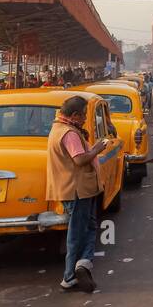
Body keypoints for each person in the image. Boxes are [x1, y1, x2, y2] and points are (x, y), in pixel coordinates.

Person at [47, 96, 110, 293]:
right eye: (83, 115)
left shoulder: (59, 129)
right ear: (74, 115)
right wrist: (97, 149)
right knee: (78, 232)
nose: (84, 118)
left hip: (78, 188)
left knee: (87, 227)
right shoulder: (69, 134)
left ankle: (82, 265)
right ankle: (71, 274)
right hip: (77, 189)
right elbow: (80, 160)